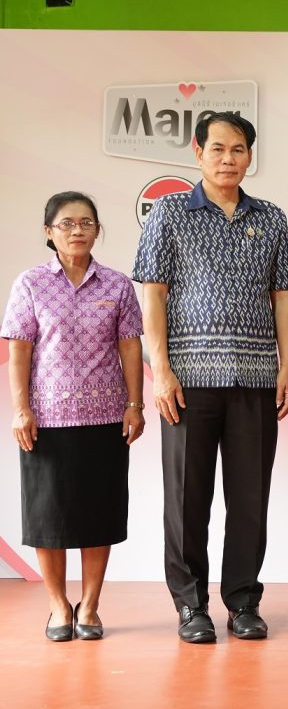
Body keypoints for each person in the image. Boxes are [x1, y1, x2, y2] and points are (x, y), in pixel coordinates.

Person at [132, 112, 288, 644]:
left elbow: (284, 297)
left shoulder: (270, 217)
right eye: (218, 149)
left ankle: (244, 602)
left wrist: (286, 367)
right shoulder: (169, 212)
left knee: (250, 498)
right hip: (187, 381)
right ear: (198, 151)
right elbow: (152, 294)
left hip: (256, 379)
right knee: (187, 500)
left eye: (238, 149)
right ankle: (191, 606)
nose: (228, 159)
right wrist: (160, 371)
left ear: (250, 155)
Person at [3, 192, 145, 642]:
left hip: (105, 419)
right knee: (48, 517)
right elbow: (19, 350)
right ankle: (57, 605)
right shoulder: (30, 283)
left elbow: (130, 347)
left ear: (97, 230)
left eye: (86, 222)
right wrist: (21, 409)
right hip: (46, 421)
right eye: (66, 223)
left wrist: (135, 404)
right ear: (49, 232)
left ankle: (90, 605)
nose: (77, 230)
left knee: (98, 514)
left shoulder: (117, 285)